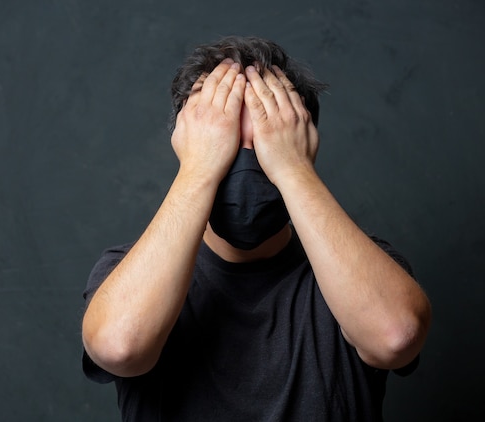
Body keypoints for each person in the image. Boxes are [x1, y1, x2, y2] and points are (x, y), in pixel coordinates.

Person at [81, 35, 432, 421]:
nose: (244, 160)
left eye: (265, 143)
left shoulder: (366, 266)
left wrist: (293, 169)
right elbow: (119, 346)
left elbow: (395, 336)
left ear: (302, 143)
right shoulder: (124, 270)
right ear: (188, 144)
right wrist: (198, 170)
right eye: (223, 141)